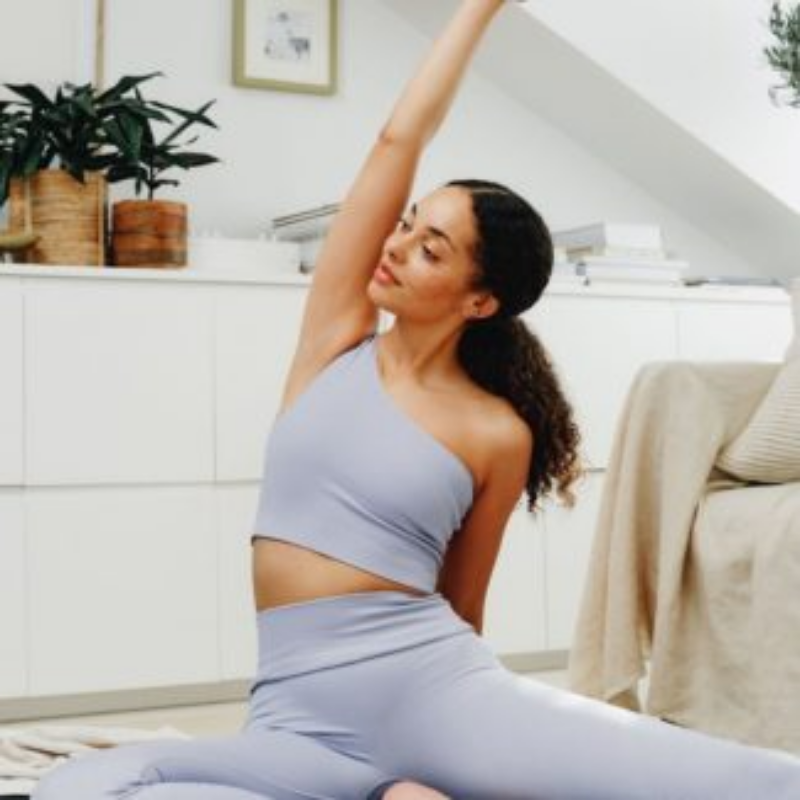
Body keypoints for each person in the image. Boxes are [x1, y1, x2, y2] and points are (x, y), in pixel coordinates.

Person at [33, 0, 800, 798]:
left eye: (431, 248)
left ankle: (415, 784)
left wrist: (463, 751)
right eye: (407, 225)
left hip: (436, 696)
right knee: (81, 787)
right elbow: (399, 138)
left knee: (731, 780)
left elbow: (461, 606)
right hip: (297, 719)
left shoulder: (497, 432)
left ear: (479, 302)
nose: (396, 247)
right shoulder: (335, 339)